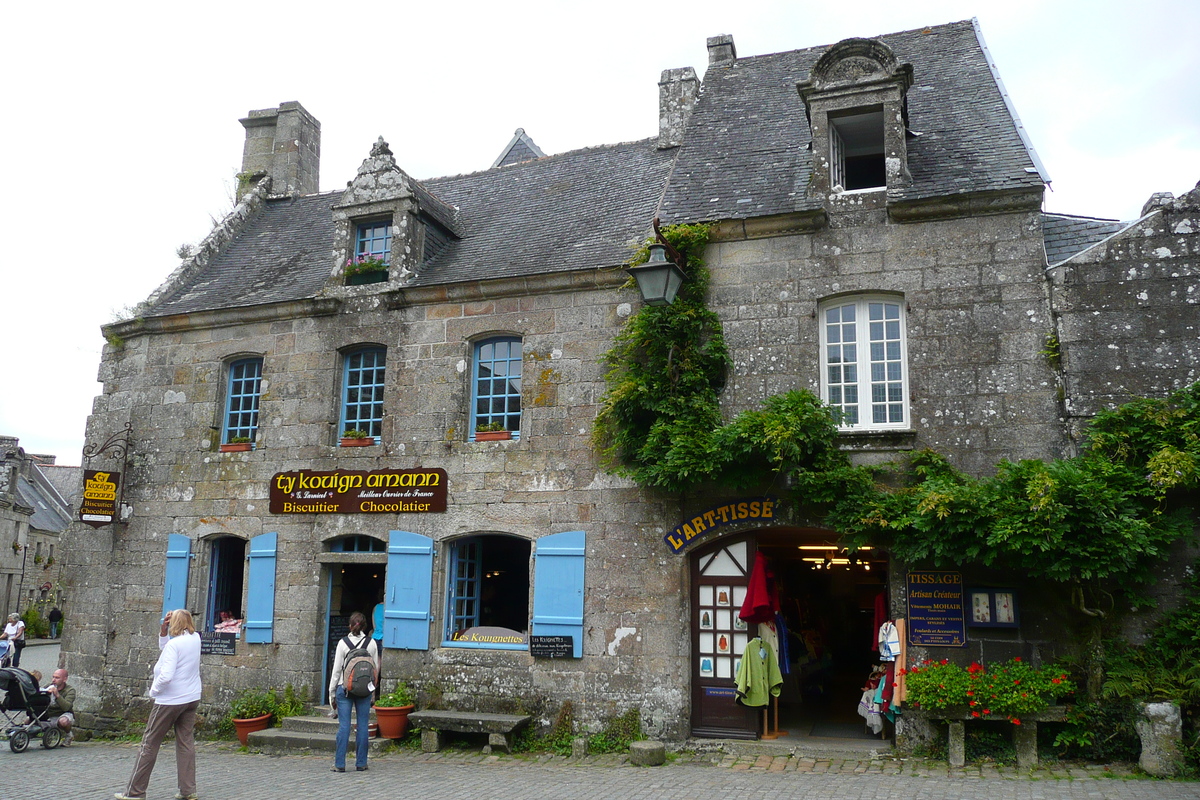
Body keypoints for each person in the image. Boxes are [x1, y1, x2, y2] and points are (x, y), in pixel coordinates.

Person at [115, 609, 202, 800]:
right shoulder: (195, 638)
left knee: (149, 743)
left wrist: (154, 691)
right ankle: (188, 790)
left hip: (170, 700)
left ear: (175, 624)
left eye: (170, 623)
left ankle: (135, 792)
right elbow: (169, 648)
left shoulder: (175, 645)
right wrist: (163, 632)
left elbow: (166, 674)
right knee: (186, 743)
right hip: (191, 697)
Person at [327, 611, 379, 773]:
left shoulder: (343, 643)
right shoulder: (371, 643)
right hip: (364, 690)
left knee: (344, 726)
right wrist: (373, 693)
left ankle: (340, 764)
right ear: (365, 626)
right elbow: (374, 670)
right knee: (363, 726)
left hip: (345, 689)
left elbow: (336, 671)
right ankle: (361, 763)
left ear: (349, 626)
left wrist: (331, 693)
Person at [46, 668, 76, 744]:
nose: (53, 680)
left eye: (57, 678)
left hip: (63, 713)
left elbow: (66, 707)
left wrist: (57, 695)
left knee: (63, 722)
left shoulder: (70, 690)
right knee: (28, 720)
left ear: (64, 679)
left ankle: (69, 735)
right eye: (53, 677)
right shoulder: (48, 686)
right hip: (49, 714)